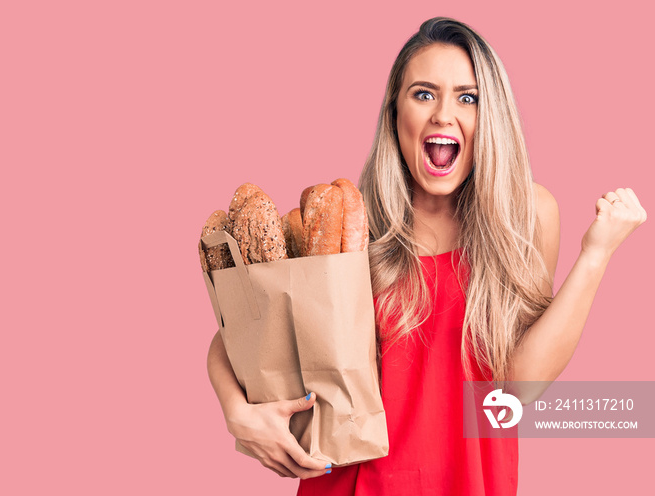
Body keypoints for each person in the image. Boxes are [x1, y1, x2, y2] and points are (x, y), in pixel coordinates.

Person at [206, 17, 647, 495]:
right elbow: (242, 333)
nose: (443, 114)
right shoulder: (352, 222)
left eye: (468, 97)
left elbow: (517, 387)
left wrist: (595, 254)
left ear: (490, 117)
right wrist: (238, 413)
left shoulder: (528, 216)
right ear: (395, 112)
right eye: (423, 93)